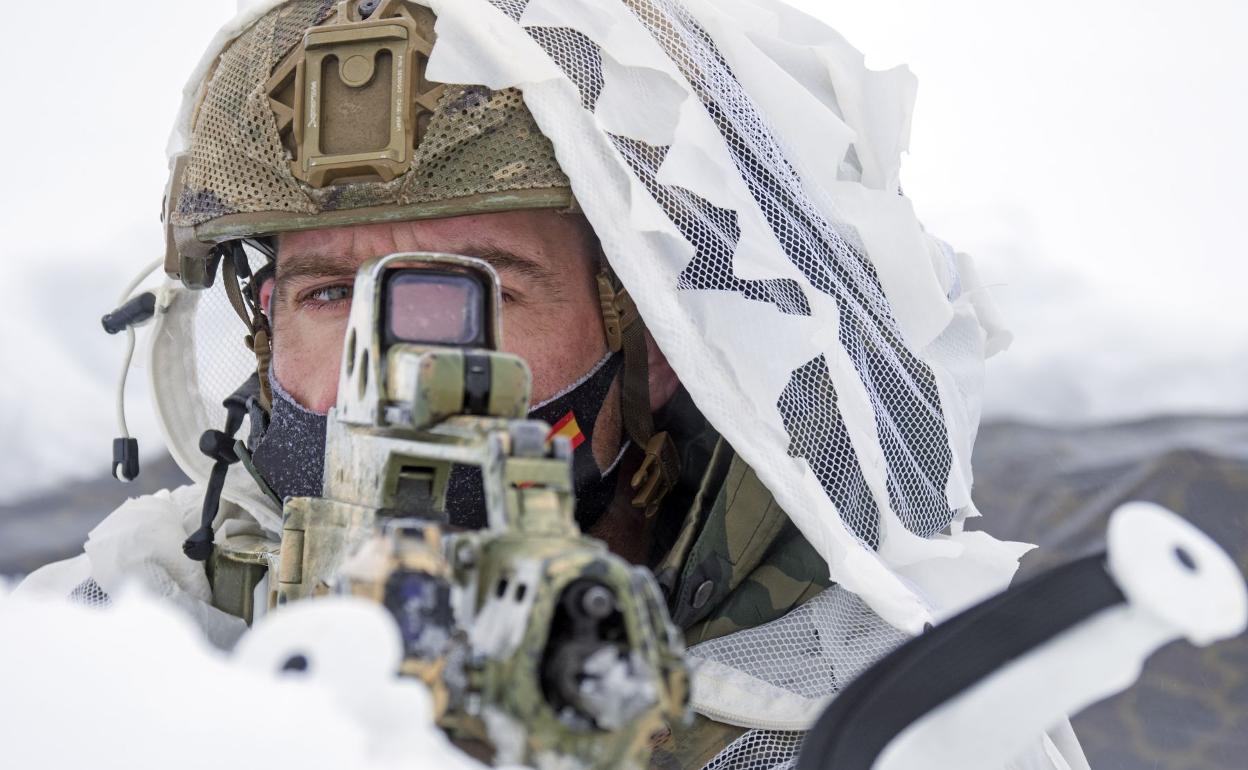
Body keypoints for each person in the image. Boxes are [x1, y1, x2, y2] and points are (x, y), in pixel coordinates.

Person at [19, 1, 1087, 768]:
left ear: (659, 338)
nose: (382, 374)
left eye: (471, 292)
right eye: (327, 294)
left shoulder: (879, 721)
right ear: (258, 332)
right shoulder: (116, 637)